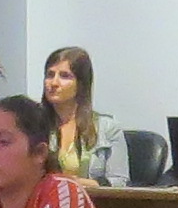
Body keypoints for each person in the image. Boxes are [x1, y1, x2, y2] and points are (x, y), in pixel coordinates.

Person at [41, 45, 124, 184]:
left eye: (64, 76)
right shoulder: (33, 124)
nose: (54, 83)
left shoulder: (108, 128)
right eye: (50, 75)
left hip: (95, 202)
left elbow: (119, 181)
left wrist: (76, 184)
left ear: (81, 84)